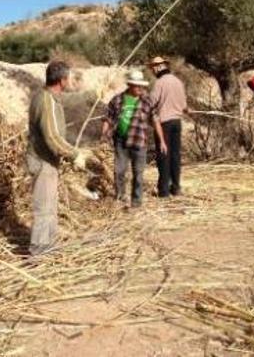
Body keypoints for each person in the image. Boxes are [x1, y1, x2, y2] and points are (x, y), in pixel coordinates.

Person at [27, 61, 90, 256]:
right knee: (44, 208)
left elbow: (69, 101)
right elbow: (52, 137)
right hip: (42, 161)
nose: (70, 81)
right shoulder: (47, 101)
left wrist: (91, 95)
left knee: (50, 206)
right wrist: (74, 154)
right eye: (69, 78)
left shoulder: (49, 97)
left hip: (47, 161)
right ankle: (38, 251)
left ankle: (49, 245)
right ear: (62, 80)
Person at [102, 70, 167, 208]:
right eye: (137, 86)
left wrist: (162, 141)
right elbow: (108, 118)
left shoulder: (147, 101)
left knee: (138, 174)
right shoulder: (117, 99)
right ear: (130, 85)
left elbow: (155, 121)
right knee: (119, 171)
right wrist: (104, 134)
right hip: (121, 141)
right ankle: (120, 198)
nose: (140, 88)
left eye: (141, 86)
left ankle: (136, 202)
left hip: (139, 142)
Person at [147, 56, 187, 197]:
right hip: (177, 122)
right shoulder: (178, 82)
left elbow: (151, 103)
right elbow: (184, 106)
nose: (152, 71)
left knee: (164, 156)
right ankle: (176, 188)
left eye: (152, 68)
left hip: (164, 124)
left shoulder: (159, 83)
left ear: (158, 67)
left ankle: (163, 191)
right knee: (175, 156)